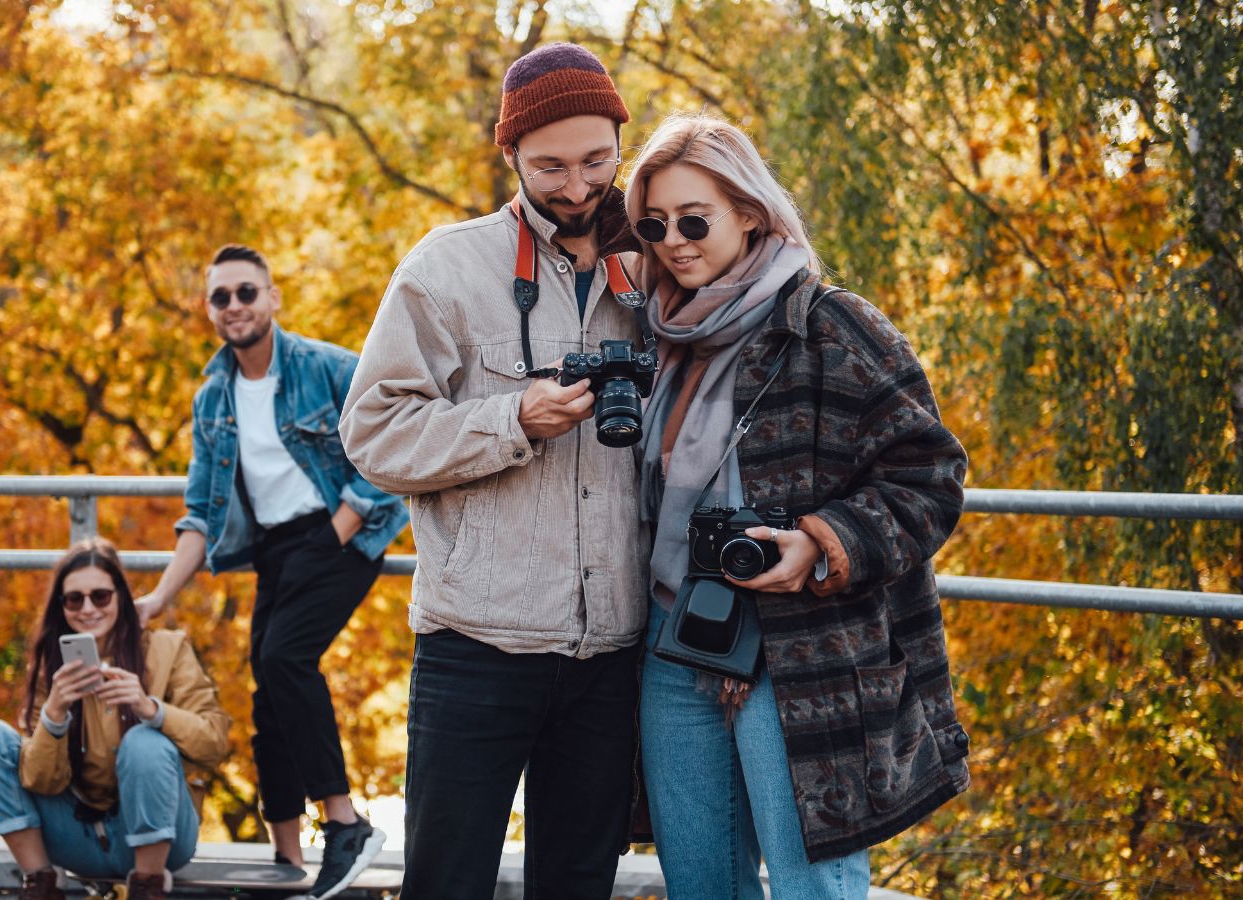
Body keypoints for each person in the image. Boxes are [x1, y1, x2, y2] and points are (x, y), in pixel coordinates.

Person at [622, 112, 972, 898]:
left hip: (802, 652)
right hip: (676, 642)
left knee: (815, 886)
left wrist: (821, 543)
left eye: (693, 218)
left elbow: (932, 476)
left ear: (750, 212)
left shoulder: (830, 326)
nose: (672, 240)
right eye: (653, 223)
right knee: (702, 884)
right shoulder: (654, 340)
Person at [340, 42, 648, 900]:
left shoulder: (661, 267)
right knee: (445, 884)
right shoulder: (445, 269)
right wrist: (512, 418)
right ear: (508, 156)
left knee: (580, 886)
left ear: (622, 142)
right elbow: (371, 433)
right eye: (549, 165)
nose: (578, 186)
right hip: (476, 646)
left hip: (613, 649)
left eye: (597, 160)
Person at [134, 244, 408, 900]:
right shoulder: (213, 400)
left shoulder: (324, 366)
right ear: (209, 310)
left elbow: (391, 436)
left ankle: (344, 822)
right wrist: (158, 598)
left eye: (246, 293)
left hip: (341, 536)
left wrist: (339, 529)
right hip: (274, 551)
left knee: (285, 659)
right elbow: (200, 514)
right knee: (268, 696)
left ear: (272, 298)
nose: (234, 306)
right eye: (221, 297)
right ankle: (289, 856)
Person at [0, 538, 231, 900]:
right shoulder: (53, 666)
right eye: (74, 599)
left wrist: (151, 709)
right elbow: (41, 781)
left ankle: (147, 888)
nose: (88, 608)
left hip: (161, 839)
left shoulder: (168, 649)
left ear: (120, 596)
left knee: (145, 741)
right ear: (63, 606)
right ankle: (41, 883)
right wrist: (54, 717)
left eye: (100, 596)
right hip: (77, 834)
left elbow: (214, 743)